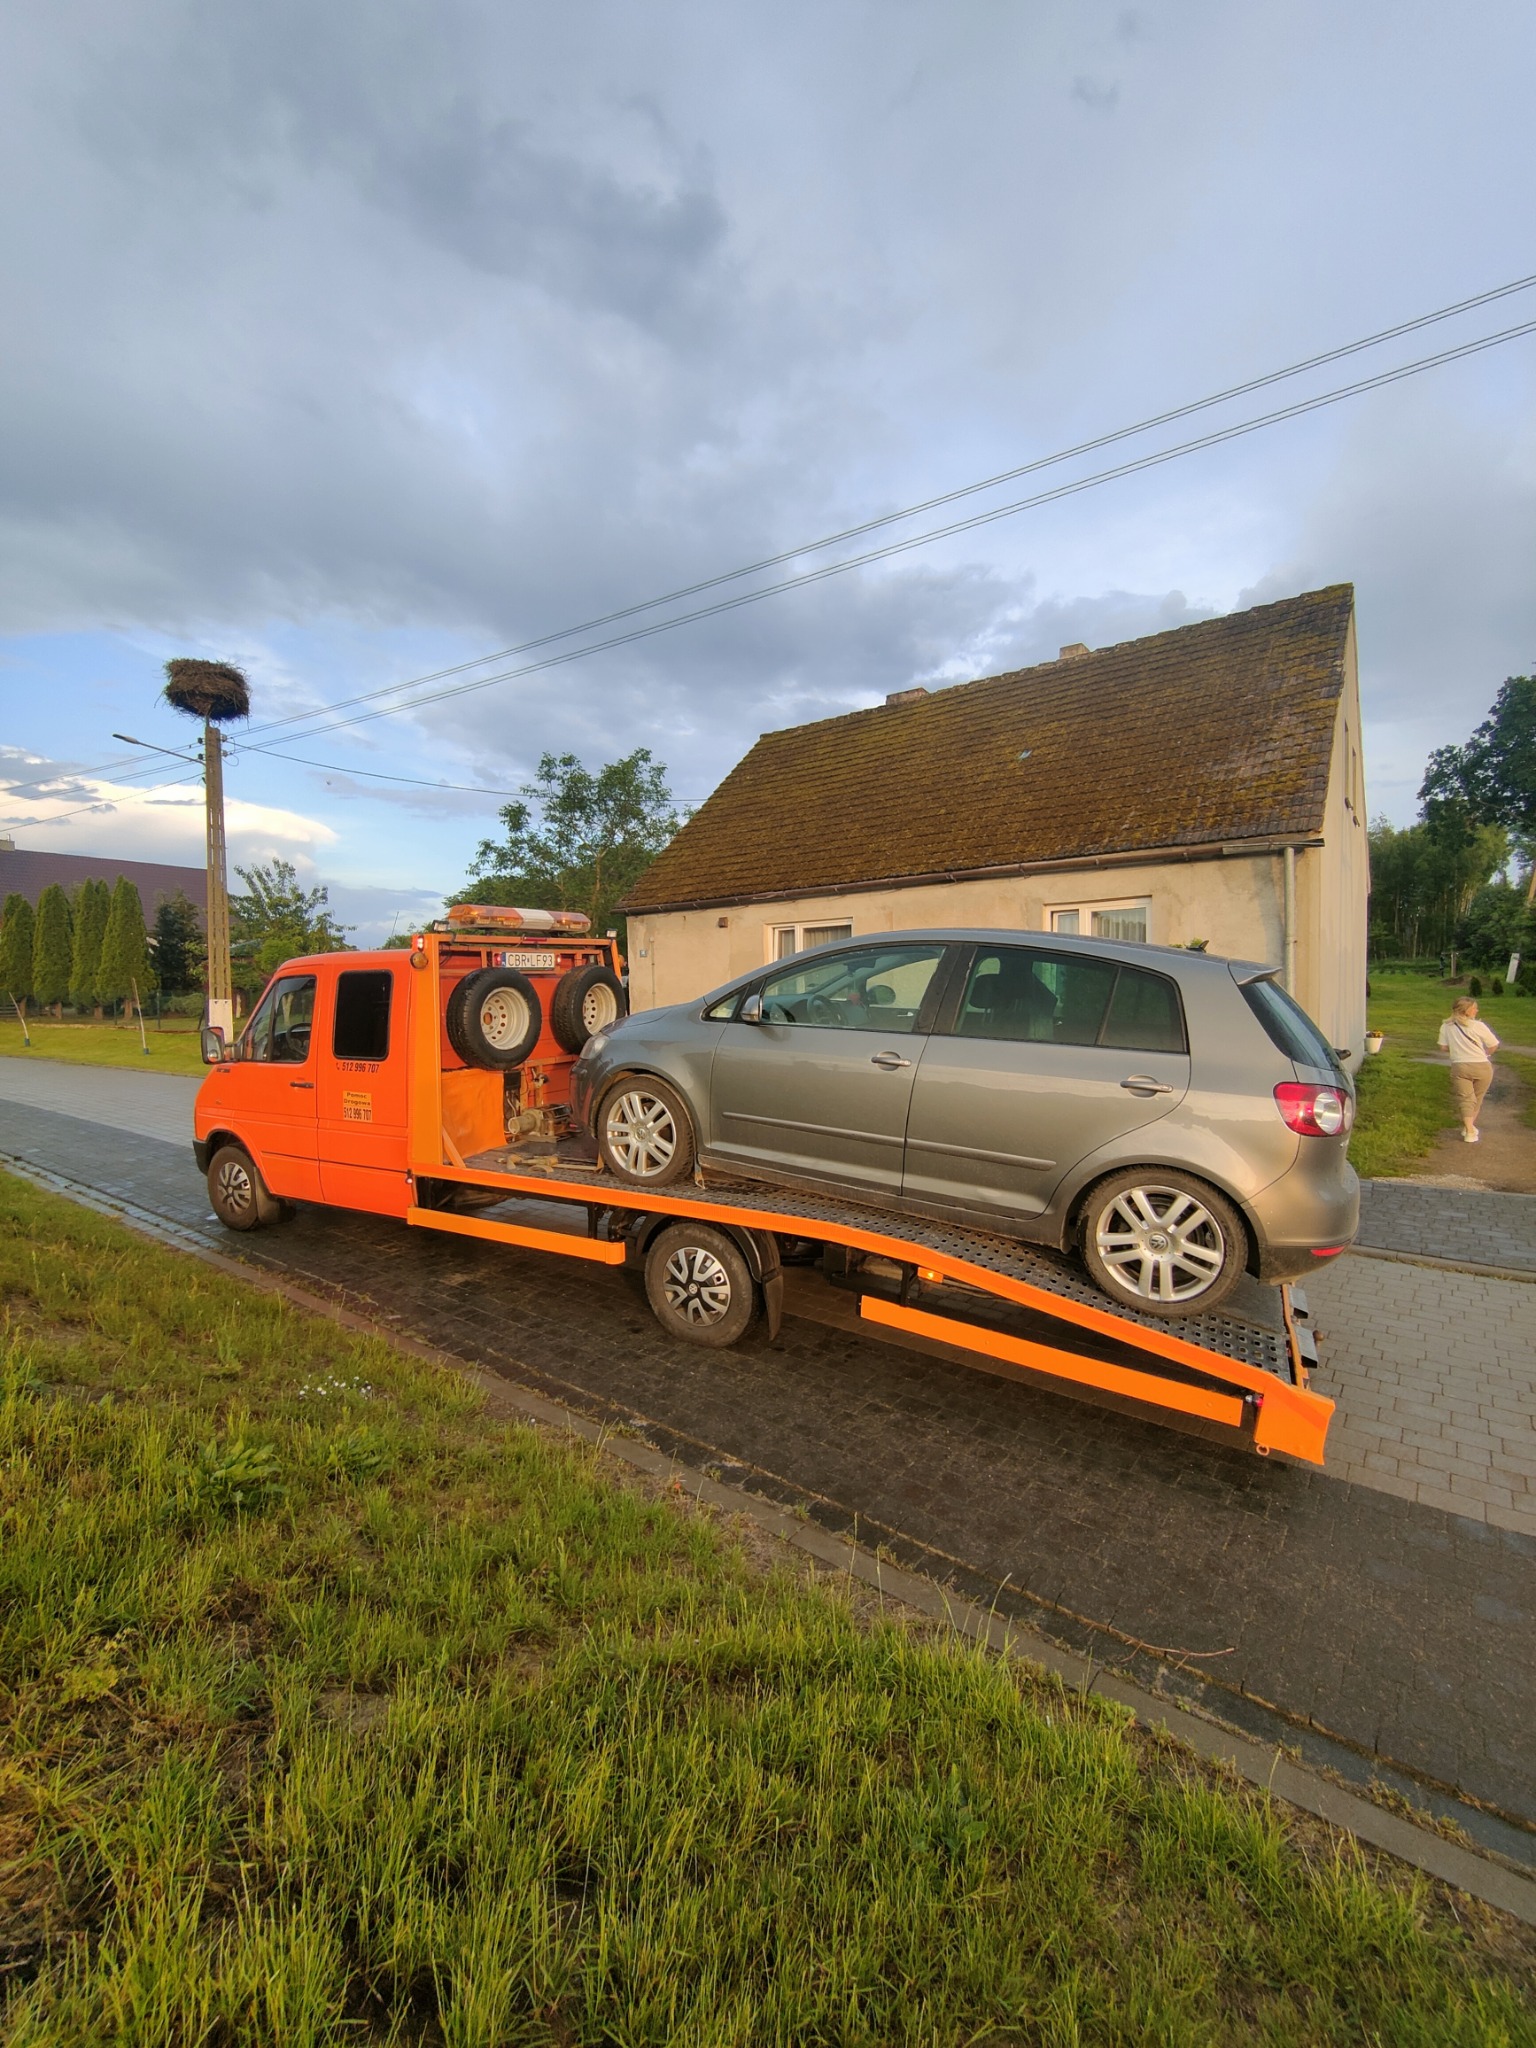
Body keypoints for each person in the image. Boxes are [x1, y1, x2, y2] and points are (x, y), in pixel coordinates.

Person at [1438, 995, 1499, 1143]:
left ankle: (1469, 1129)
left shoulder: (1446, 1026)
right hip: (1482, 1066)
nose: (1477, 1010)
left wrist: (1457, 1048)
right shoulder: (1478, 1026)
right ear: (1467, 1011)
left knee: (1466, 1099)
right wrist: (1485, 1053)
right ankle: (1469, 1128)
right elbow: (1493, 1045)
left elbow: (1443, 1047)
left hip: (1460, 1066)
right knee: (1477, 1099)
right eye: (1474, 1008)